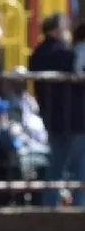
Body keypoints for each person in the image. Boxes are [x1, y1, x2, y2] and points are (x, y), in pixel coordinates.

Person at [27, 12, 85, 208]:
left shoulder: (37, 54)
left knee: (56, 166)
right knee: (80, 167)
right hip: (75, 119)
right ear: (55, 30)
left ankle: (48, 206)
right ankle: (79, 208)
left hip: (52, 119)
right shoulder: (66, 54)